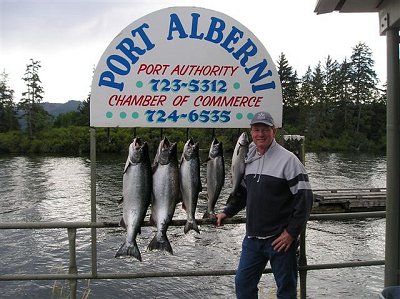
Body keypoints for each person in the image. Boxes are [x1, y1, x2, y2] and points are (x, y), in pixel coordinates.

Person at [216, 111, 313, 299]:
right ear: (251, 132)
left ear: (273, 131)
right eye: (256, 129)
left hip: (280, 240)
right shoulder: (248, 155)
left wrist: (291, 233)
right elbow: (244, 192)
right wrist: (227, 212)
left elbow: (305, 199)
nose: (260, 134)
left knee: (286, 290)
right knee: (243, 285)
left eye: (265, 130)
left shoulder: (289, 160)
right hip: (252, 239)